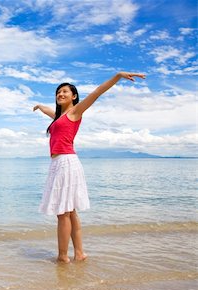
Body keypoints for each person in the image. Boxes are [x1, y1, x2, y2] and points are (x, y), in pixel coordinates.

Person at [33, 72, 146, 263]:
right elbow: (50, 113)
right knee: (70, 211)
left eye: (65, 91)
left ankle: (62, 256)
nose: (60, 94)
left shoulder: (75, 112)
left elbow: (97, 92)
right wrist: (40, 107)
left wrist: (117, 76)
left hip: (66, 163)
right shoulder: (59, 117)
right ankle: (79, 253)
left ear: (74, 96)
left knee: (63, 213)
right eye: (58, 92)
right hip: (60, 164)